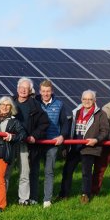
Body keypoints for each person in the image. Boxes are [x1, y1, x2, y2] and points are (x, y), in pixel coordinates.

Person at [59, 90, 109, 204]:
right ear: (81, 100)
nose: (87, 101)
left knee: (86, 173)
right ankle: (64, 194)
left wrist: (96, 140)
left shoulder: (100, 114)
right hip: (74, 147)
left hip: (89, 147)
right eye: (85, 99)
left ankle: (85, 195)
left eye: (90, 99)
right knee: (67, 171)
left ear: (94, 101)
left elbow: (105, 131)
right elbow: (69, 128)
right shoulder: (75, 112)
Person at [0, 97, 26, 211]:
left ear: (11, 108)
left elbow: (23, 134)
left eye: (8, 105)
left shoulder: (14, 121)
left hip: (3, 153)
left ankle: (0, 205)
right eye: (3, 104)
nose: (5, 107)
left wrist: (12, 136)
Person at [12, 77, 49, 205]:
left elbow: (44, 123)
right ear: (17, 89)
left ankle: (23, 199)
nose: (23, 90)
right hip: (10, 143)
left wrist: (35, 136)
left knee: (24, 172)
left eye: (26, 88)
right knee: (5, 171)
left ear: (30, 90)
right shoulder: (9, 102)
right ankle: (1, 199)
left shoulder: (35, 105)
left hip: (26, 143)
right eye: (21, 88)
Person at [32, 80, 66, 208]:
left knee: (49, 171)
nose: (46, 94)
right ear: (40, 91)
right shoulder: (34, 103)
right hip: (37, 141)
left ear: (52, 91)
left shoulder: (59, 104)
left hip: (52, 142)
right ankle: (34, 197)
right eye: (43, 91)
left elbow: (64, 122)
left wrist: (62, 135)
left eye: (48, 91)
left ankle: (47, 199)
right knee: (34, 171)